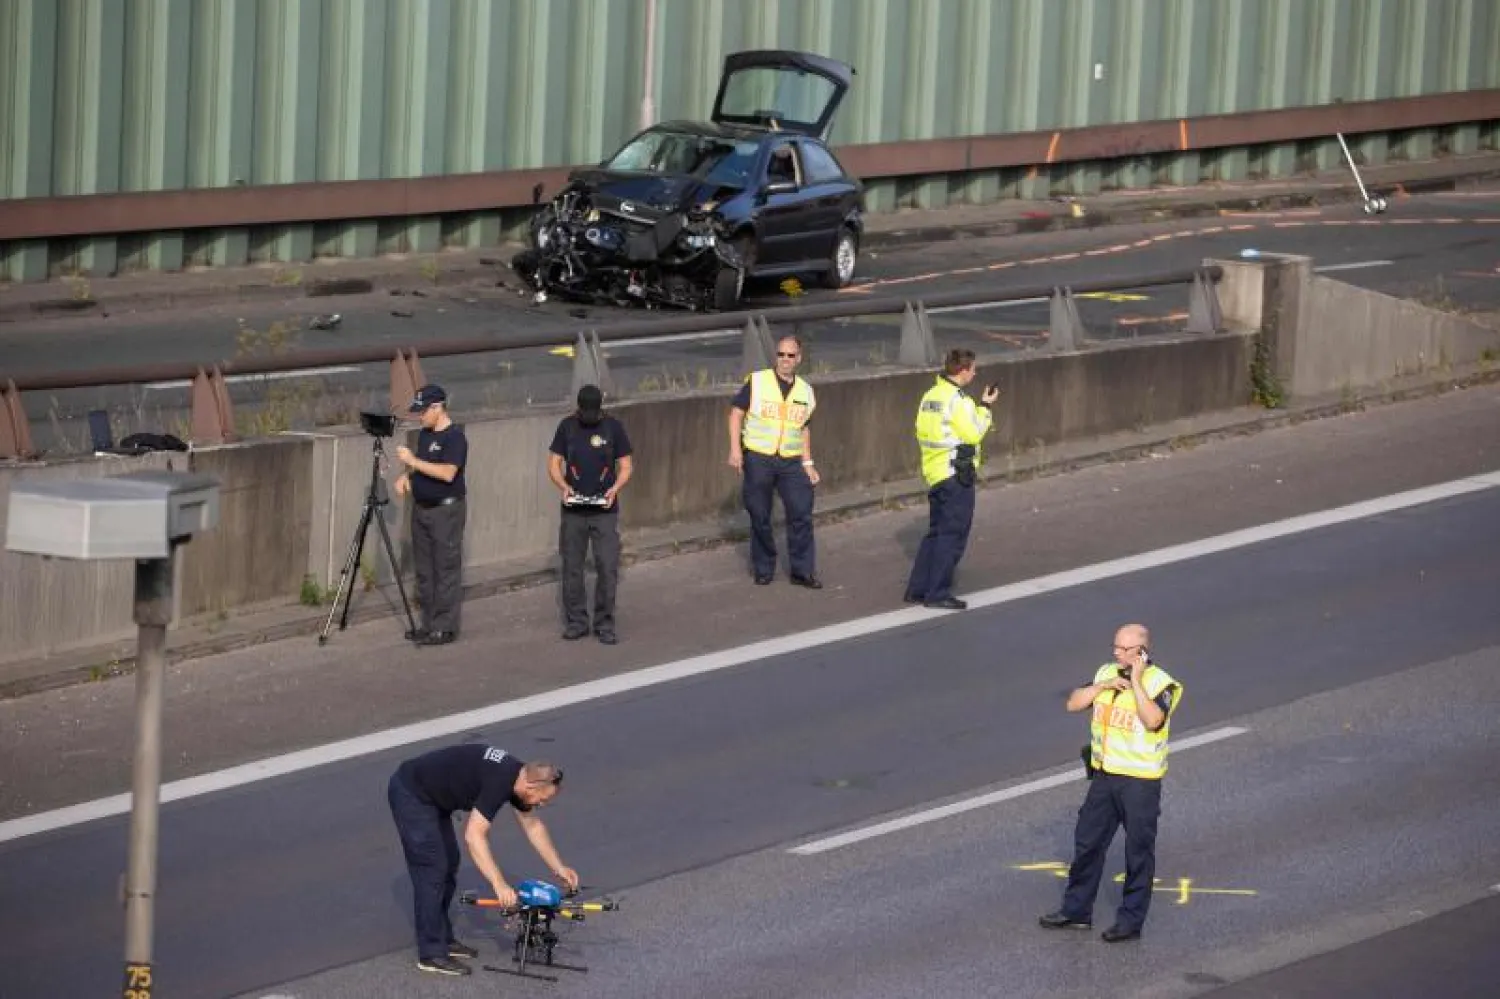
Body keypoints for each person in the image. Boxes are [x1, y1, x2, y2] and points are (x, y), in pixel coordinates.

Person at [1040, 623, 1183, 942]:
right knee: (1087, 842)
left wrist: (1135, 681)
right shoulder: (1107, 672)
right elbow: (1073, 703)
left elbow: (1153, 720)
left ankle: (1130, 921)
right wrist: (1103, 685)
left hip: (1140, 783)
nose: (1116, 653)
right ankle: (1076, 911)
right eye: (1115, 647)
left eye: (1124, 649)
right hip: (1105, 778)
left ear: (1142, 652)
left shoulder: (1161, 683)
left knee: (1138, 852)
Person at [387, 744, 578, 977]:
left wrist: (558, 867)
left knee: (449, 862)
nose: (542, 804)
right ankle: (431, 953)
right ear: (530, 786)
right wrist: (499, 884)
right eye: (542, 799)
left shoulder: (519, 778)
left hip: (435, 799)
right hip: (412, 793)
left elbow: (533, 826)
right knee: (432, 868)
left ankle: (443, 938)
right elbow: (474, 835)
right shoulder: (500, 782)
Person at [903, 349, 998, 610]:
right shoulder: (959, 401)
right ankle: (938, 593)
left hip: (935, 473)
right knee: (952, 536)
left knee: (935, 533)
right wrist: (986, 407)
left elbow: (921, 431)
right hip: (956, 475)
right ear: (963, 370)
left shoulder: (930, 396)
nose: (975, 373)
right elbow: (973, 434)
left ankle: (918, 588)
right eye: (973, 369)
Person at [727, 333, 822, 588]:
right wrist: (735, 450)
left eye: (790, 355)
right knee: (759, 515)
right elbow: (736, 414)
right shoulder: (758, 382)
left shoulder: (806, 391)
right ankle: (764, 567)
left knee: (801, 513)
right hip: (759, 457)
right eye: (781, 354)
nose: (785, 360)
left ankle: (802, 571)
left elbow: (804, 428)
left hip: (791, 462)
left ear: (799, 359)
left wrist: (808, 463)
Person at [547, 384, 634, 644]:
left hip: (604, 510)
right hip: (574, 510)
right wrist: (564, 487)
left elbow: (627, 465)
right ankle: (576, 621)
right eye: (585, 412)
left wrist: (615, 489)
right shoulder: (567, 427)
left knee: (607, 566)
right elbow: (553, 463)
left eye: (593, 412)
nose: (589, 417)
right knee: (572, 567)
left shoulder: (613, 428)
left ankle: (605, 623)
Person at [395, 383, 468, 646]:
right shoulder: (425, 435)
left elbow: (447, 472)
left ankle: (444, 626)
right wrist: (407, 476)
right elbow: (425, 468)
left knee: (445, 568)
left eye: (424, 411)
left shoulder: (454, 437)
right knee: (424, 570)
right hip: (422, 508)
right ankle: (428, 623)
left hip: (445, 510)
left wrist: (412, 462)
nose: (420, 416)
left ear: (438, 407)